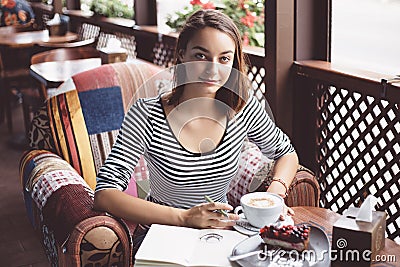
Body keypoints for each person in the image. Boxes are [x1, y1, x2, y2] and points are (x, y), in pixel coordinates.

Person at [94, 9, 299, 256]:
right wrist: (184, 217)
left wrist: (275, 194)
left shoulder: (243, 109)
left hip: (221, 233)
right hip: (161, 233)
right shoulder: (147, 113)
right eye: (201, 55)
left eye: (224, 59)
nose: (213, 70)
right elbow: (105, 194)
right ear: (182, 54)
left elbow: (285, 152)